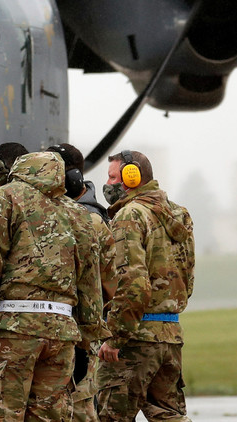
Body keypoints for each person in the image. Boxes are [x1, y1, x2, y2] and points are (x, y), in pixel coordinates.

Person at [0, 151, 106, 422]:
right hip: (61, 335)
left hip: (12, 331)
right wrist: (87, 340)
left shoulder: (3, 199)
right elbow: (90, 284)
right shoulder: (78, 214)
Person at [97, 150, 195, 422]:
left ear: (132, 177)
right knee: (168, 416)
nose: (108, 183)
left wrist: (116, 336)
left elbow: (132, 284)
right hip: (170, 333)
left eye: (113, 176)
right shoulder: (179, 215)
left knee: (110, 416)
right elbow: (187, 281)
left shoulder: (130, 216)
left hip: (135, 336)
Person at [47, 144, 117, 422]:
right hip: (58, 334)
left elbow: (105, 284)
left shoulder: (89, 218)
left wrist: (93, 339)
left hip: (78, 335)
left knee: (79, 409)